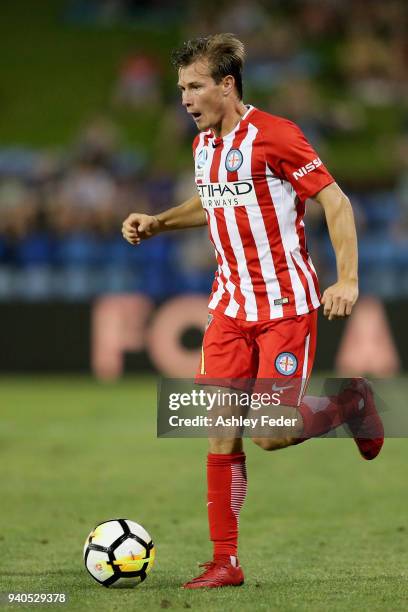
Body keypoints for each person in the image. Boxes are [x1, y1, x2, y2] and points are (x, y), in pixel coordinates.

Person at [122, 33, 384, 589]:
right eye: (180, 89)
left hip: (285, 307)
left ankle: (349, 400)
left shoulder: (277, 136)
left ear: (227, 84)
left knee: (267, 433)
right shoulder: (203, 149)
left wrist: (349, 280)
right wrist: (159, 220)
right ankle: (225, 562)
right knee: (218, 429)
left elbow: (335, 201)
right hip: (228, 308)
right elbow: (211, 199)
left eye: (195, 87)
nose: (186, 99)